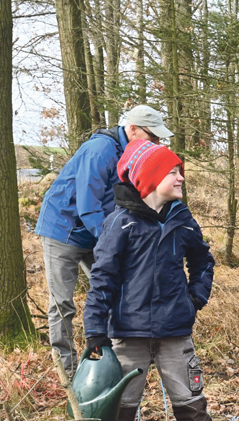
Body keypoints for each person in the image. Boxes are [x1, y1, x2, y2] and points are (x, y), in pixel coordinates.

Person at [83, 140, 231, 421]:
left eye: (180, 170)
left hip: (175, 332)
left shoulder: (182, 220)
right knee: (122, 405)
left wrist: (195, 297)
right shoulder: (120, 224)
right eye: (172, 171)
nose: (180, 177)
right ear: (150, 180)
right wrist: (95, 331)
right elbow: (102, 279)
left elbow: (202, 261)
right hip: (128, 334)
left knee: (191, 402)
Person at [35, 105, 173, 374]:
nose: (156, 143)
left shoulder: (134, 154)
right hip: (64, 230)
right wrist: (111, 241)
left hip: (95, 229)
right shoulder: (101, 150)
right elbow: (88, 206)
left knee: (113, 290)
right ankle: (69, 372)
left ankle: (112, 359)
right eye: (152, 136)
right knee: (62, 303)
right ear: (132, 129)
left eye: (159, 138)